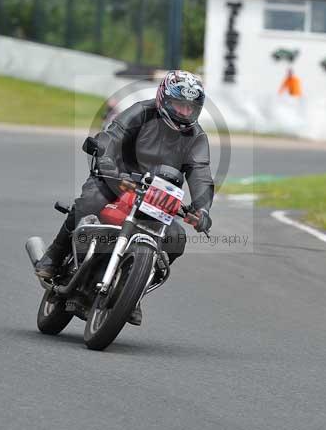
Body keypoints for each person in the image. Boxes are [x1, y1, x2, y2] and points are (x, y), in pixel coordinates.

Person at [34, 70, 214, 325]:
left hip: (157, 197)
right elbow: (112, 136)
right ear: (164, 99)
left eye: (190, 108)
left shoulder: (196, 137)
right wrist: (106, 160)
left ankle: (133, 293)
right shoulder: (141, 112)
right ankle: (54, 255)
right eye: (179, 105)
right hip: (117, 180)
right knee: (90, 202)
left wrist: (202, 209)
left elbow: (201, 173)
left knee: (175, 238)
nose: (184, 112)